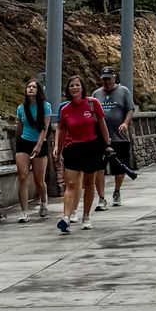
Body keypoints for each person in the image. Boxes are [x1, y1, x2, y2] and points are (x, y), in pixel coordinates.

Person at [54, 76, 110, 233]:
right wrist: (58, 150)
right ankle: (66, 217)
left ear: (82, 87)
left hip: (91, 147)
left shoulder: (92, 104)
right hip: (73, 148)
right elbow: (63, 131)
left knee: (89, 183)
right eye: (71, 85)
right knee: (71, 184)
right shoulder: (65, 110)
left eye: (77, 85)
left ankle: (86, 216)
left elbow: (102, 124)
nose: (74, 88)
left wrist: (107, 144)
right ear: (68, 89)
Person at [92, 66, 137, 206]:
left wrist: (125, 123)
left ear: (114, 78)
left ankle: (117, 190)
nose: (106, 83)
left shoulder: (123, 91)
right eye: (104, 80)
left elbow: (130, 109)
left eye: (109, 79)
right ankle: (101, 197)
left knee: (119, 168)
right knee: (99, 168)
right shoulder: (96, 94)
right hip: (100, 139)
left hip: (119, 137)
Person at [13, 78, 51, 222]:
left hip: (39, 142)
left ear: (38, 90)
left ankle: (43, 202)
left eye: (34, 87)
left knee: (38, 180)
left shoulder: (45, 106)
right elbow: (19, 127)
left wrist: (39, 145)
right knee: (22, 176)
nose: (30, 89)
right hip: (24, 142)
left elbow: (45, 128)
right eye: (29, 87)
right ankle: (24, 211)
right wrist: (17, 144)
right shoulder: (21, 108)